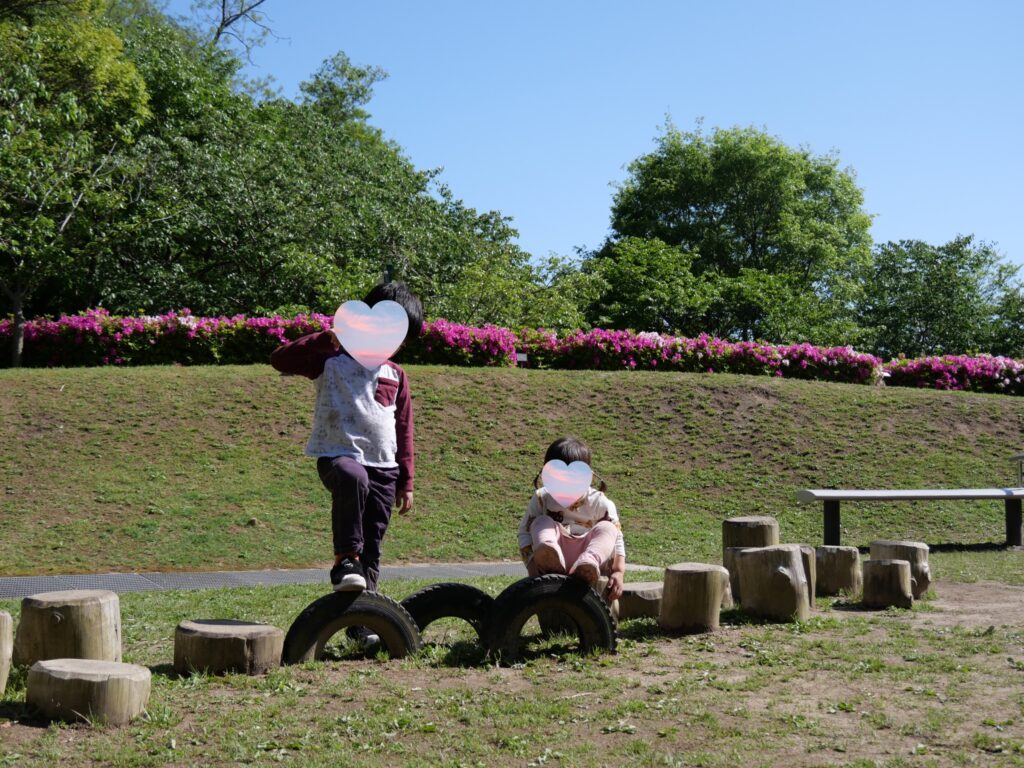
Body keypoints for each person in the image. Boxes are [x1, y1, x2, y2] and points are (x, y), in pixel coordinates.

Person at [271, 282, 423, 594]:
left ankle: (365, 616)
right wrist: (322, 339)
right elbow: (280, 360)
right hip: (338, 457)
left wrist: (405, 481)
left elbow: (403, 428)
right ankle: (345, 559)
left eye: (399, 342)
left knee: (373, 545)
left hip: (384, 469)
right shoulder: (330, 358)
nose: (392, 346)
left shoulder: (395, 374)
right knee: (353, 479)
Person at [518, 437, 626, 602]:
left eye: (572, 479)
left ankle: (588, 562)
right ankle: (548, 555)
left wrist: (618, 571)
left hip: (588, 556)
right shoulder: (542, 498)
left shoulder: (599, 501)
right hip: (554, 552)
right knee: (540, 522)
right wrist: (532, 567)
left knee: (608, 529)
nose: (565, 485)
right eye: (558, 479)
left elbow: (617, 538)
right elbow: (524, 532)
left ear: (587, 477)